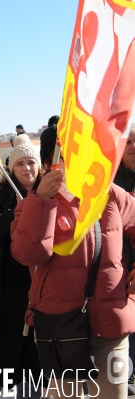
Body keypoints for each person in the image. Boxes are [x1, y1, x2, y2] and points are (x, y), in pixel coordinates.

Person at [11, 125, 135, 398]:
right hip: (59, 329)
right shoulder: (31, 204)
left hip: (110, 327)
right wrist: (42, 201)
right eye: (68, 155)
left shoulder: (109, 194)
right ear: (48, 163)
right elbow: (28, 255)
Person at [0, 135, 41, 386]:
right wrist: (17, 213)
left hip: (38, 276)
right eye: (20, 164)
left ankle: (35, 377)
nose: (27, 168)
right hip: (4, 275)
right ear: (11, 168)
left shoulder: (47, 193)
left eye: (31, 163)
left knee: (35, 332)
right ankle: (7, 380)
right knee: (9, 331)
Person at [113, 123, 135, 395]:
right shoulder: (110, 181)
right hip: (116, 268)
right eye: (127, 142)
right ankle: (125, 376)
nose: (133, 148)